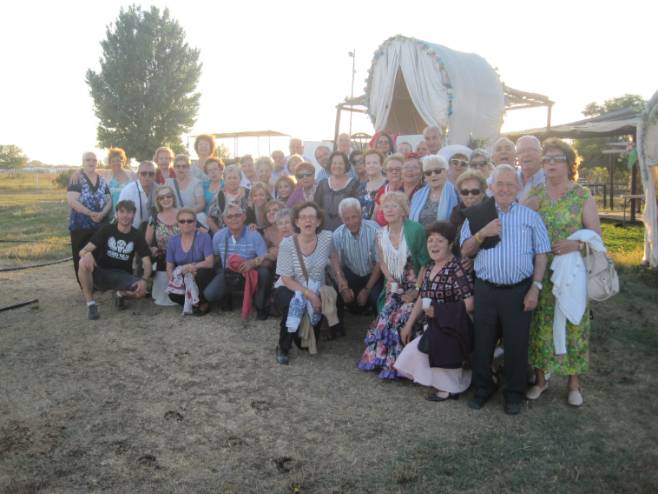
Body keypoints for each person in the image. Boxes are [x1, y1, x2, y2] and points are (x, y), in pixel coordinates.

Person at [460, 164, 551, 415]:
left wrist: (535, 288)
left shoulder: (530, 217)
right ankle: (483, 388)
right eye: (499, 184)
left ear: (518, 188)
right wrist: (482, 233)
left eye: (510, 184)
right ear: (491, 187)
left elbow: (542, 254)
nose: (504, 189)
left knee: (516, 345)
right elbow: (465, 250)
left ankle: (513, 394)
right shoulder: (477, 214)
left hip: (519, 291)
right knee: (483, 342)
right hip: (486, 289)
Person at [525, 138, 601, 407]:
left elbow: (596, 236)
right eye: (547, 159)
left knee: (574, 323)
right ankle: (541, 380)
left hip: (572, 273)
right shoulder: (536, 195)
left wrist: (575, 245)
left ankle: (573, 383)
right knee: (540, 325)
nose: (551, 164)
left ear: (570, 164)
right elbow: (520, 226)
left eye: (557, 159)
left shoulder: (581, 196)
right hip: (542, 273)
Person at [395, 221, 474, 400]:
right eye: (430, 240)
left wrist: (439, 311)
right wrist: (408, 325)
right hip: (434, 326)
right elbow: (422, 297)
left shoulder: (456, 268)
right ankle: (447, 382)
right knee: (409, 355)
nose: (434, 245)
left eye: (440, 240)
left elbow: (470, 304)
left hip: (455, 328)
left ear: (450, 245)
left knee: (436, 347)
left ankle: (451, 388)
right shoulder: (429, 267)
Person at [358, 191, 430, 379]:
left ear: (403, 210)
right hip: (394, 286)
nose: (389, 210)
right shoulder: (380, 234)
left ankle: (402, 365)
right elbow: (382, 262)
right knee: (385, 318)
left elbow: (425, 264)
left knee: (402, 316)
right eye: (386, 206)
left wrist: (416, 291)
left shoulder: (415, 230)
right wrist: (390, 280)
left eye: (394, 206)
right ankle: (382, 360)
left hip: (417, 286)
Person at [274, 202, 342, 364]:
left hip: (316, 288)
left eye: (312, 216)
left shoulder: (326, 238)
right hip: (289, 288)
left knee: (305, 345)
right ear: (297, 222)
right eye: (303, 217)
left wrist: (341, 278)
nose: (308, 220)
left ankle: (305, 332)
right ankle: (283, 347)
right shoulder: (287, 244)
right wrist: (311, 296)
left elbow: (333, 256)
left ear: (318, 221)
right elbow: (286, 279)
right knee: (294, 303)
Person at [77, 200, 152, 320]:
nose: (125, 215)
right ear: (116, 214)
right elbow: (83, 251)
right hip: (101, 272)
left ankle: (120, 294)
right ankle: (91, 304)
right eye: (122, 212)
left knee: (141, 291)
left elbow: (147, 261)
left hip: (122, 275)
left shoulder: (137, 235)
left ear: (134, 214)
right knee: (83, 262)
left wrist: (144, 280)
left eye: (129, 212)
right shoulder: (107, 229)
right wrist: (87, 254)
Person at [204, 203, 272, 320]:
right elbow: (215, 257)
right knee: (209, 295)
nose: (234, 219)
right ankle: (226, 296)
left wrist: (252, 263)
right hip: (229, 273)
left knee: (264, 272)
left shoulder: (254, 235)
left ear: (244, 217)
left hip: (249, 273)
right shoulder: (219, 236)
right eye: (229, 216)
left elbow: (267, 261)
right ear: (224, 220)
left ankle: (261, 305)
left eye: (237, 215)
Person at [332, 198, 383, 325]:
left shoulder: (375, 230)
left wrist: (367, 289)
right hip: (353, 272)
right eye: (346, 218)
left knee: (376, 298)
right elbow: (335, 261)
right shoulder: (338, 234)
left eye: (354, 217)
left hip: (374, 273)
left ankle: (380, 326)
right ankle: (338, 327)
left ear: (361, 214)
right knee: (342, 296)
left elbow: (380, 263)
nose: (351, 222)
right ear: (342, 219)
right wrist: (343, 286)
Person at [67, 152, 113, 283]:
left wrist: (102, 213)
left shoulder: (102, 179)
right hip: (81, 226)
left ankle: (98, 284)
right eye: (88, 160)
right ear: (82, 162)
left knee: (99, 256)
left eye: (94, 160)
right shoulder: (76, 178)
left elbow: (109, 200)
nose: (91, 162)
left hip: (100, 225)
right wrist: (89, 213)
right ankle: (85, 286)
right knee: (81, 256)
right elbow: (72, 200)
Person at [165, 208, 215, 315]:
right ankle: (194, 303)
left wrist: (192, 267)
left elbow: (210, 262)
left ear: (195, 222)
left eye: (189, 221)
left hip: (200, 273)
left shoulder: (204, 237)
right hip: (183, 274)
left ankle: (203, 303)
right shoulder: (173, 241)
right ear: (178, 223)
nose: (186, 223)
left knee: (201, 275)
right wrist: (172, 281)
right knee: (172, 294)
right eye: (182, 221)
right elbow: (169, 266)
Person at [145, 185, 180, 306]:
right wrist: (151, 249)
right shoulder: (153, 219)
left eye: (168, 196)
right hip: (163, 259)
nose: (166, 199)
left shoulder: (183, 214)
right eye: (161, 197)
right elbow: (146, 242)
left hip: (183, 258)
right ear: (158, 201)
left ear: (173, 197)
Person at [313, 151, 360, 231]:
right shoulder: (322, 184)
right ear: (330, 165)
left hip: (346, 231)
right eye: (334, 163)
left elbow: (357, 210)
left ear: (346, 165)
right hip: (324, 231)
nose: (337, 166)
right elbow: (316, 207)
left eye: (341, 163)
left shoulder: (354, 184)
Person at [410, 154, 458, 227]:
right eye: (428, 173)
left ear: (446, 171)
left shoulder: (456, 193)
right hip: (419, 234)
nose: (433, 175)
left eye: (437, 171)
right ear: (424, 176)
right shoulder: (417, 195)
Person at [117, 160, 157, 230]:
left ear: (154, 176)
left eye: (151, 174)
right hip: (131, 231)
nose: (147, 176)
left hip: (153, 229)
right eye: (143, 173)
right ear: (138, 175)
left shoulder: (159, 190)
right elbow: (119, 213)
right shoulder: (128, 191)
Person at [209, 164, 251, 229]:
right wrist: (219, 233)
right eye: (229, 178)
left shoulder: (248, 194)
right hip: (225, 231)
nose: (232, 180)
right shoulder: (219, 195)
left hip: (246, 230)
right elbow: (210, 219)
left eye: (235, 178)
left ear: (240, 179)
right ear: (224, 180)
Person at [167, 155, 205, 222]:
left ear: (188, 168)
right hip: (173, 219)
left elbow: (201, 204)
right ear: (174, 168)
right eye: (178, 166)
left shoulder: (196, 183)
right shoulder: (168, 183)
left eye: (184, 166)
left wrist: (186, 214)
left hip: (191, 219)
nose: (180, 169)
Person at [373, 153, 404, 226]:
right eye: (390, 169)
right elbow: (375, 215)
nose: (394, 172)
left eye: (398, 169)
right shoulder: (382, 191)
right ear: (386, 172)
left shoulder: (407, 189)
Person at [105, 147, 134, 219]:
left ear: (123, 161)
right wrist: (80, 171)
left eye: (118, 160)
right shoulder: (106, 176)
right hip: (111, 217)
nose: (116, 163)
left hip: (128, 216)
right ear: (109, 163)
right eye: (113, 161)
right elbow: (91, 171)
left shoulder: (132, 175)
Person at [358, 149, 387, 219]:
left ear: (381, 165)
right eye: (368, 163)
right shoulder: (361, 186)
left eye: (375, 163)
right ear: (365, 166)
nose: (371, 165)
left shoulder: (388, 185)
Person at [515, 135, 545, 202]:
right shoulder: (512, 178)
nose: (526, 154)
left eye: (530, 150)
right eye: (521, 151)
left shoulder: (549, 179)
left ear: (541, 153)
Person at [203, 158, 224, 234]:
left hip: (221, 220)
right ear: (207, 173)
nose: (213, 172)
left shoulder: (226, 185)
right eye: (210, 170)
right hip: (205, 223)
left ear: (221, 170)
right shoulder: (203, 186)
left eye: (215, 169)